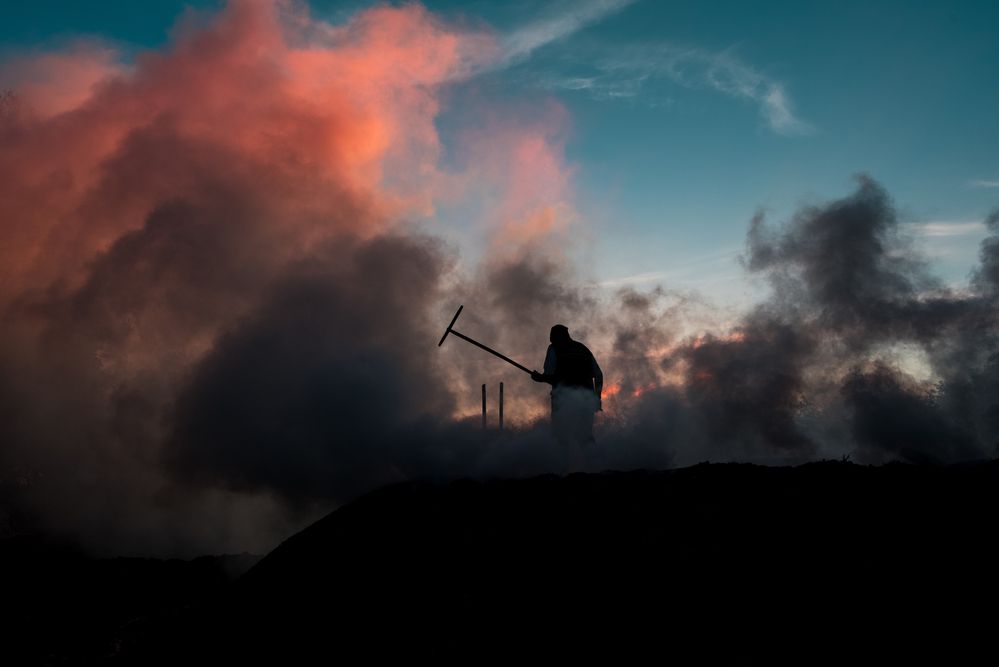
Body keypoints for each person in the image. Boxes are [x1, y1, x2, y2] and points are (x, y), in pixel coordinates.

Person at [531, 325, 603, 468]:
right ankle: (598, 468)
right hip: (586, 400)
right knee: (585, 436)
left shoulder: (554, 349)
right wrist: (596, 397)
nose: (550, 340)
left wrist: (539, 378)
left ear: (558, 336)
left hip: (563, 400)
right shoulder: (583, 349)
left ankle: (561, 471)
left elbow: (550, 376)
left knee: (560, 436)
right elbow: (598, 375)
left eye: (552, 336)